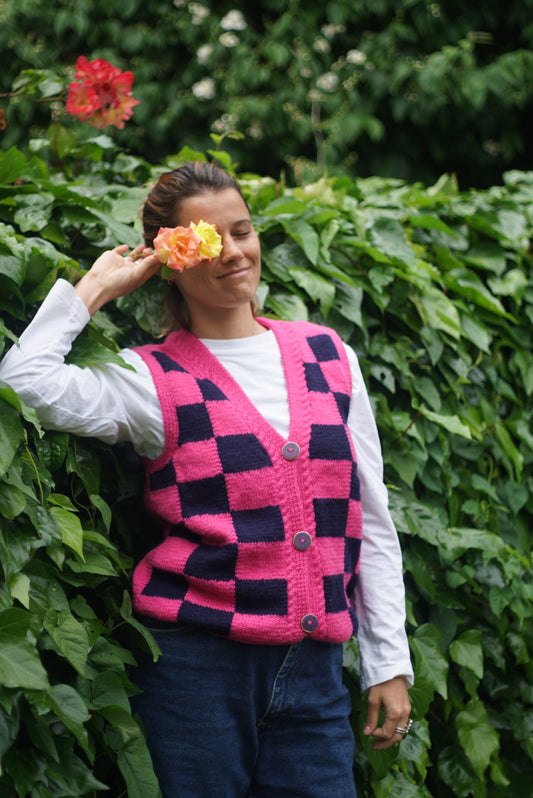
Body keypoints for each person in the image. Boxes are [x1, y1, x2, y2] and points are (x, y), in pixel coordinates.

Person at [0, 161, 413, 797]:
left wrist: (388, 663)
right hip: (196, 673)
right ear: (171, 257)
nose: (232, 253)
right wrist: (94, 289)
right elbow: (21, 384)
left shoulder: (330, 355)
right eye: (207, 241)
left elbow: (372, 519)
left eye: (242, 231)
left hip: (316, 674)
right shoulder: (148, 378)